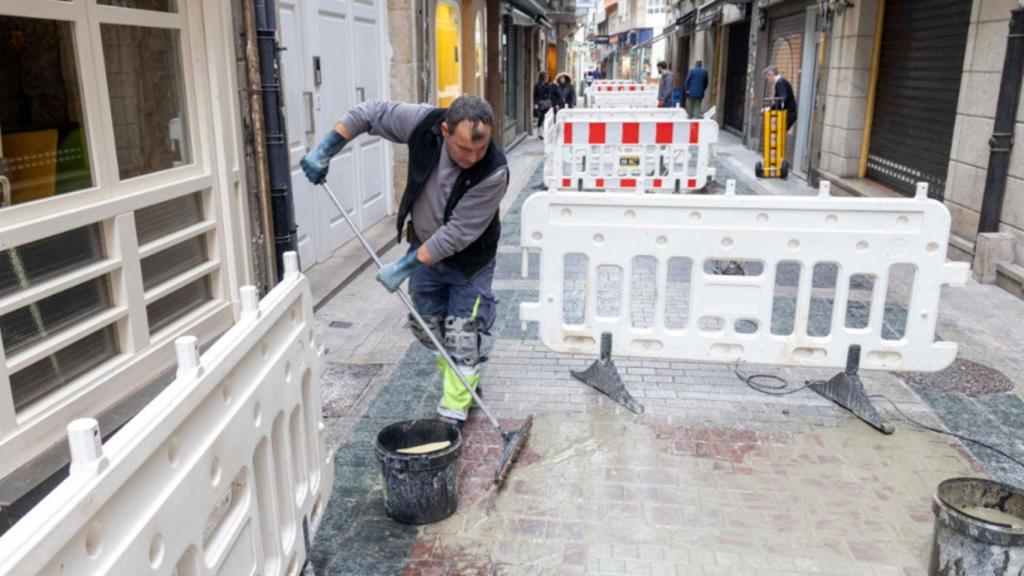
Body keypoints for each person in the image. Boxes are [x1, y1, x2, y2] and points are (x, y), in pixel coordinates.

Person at [299, 96, 509, 429]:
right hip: (424, 249)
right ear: (444, 131)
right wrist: (326, 148)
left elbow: (457, 234)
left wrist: (403, 267)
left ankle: (453, 410)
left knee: (461, 333)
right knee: (426, 323)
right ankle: (464, 376)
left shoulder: (494, 171)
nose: (471, 158)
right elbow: (368, 114)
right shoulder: (422, 123)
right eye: (462, 149)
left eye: (479, 150)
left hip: (470, 262)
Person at [763, 66, 797, 130]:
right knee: (777, 134)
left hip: (788, 114)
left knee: (776, 134)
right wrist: (771, 108)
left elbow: (782, 98)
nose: (767, 79)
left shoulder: (780, 82)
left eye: (767, 76)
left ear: (771, 74)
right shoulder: (781, 82)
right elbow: (780, 99)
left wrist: (771, 109)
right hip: (788, 113)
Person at [533, 71, 557, 138]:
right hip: (540, 103)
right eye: (545, 77)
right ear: (542, 77)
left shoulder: (549, 85)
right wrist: (535, 104)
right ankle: (539, 130)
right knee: (541, 117)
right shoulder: (537, 85)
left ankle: (544, 132)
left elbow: (551, 94)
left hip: (547, 103)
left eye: (547, 77)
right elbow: (535, 95)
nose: (547, 78)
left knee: (547, 118)